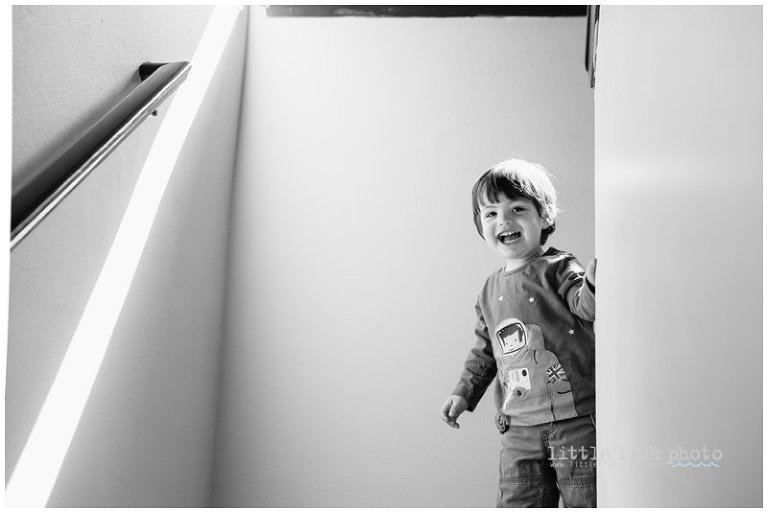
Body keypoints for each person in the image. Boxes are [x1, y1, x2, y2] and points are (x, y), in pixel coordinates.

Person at [441, 157, 596, 508]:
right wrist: (464, 393)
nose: (504, 221)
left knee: (586, 497)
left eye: (517, 209)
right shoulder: (488, 290)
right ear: (481, 226)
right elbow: (484, 352)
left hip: (576, 420)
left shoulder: (558, 268)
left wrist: (594, 284)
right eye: (491, 213)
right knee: (519, 500)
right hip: (519, 428)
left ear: (544, 217)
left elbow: (586, 306)